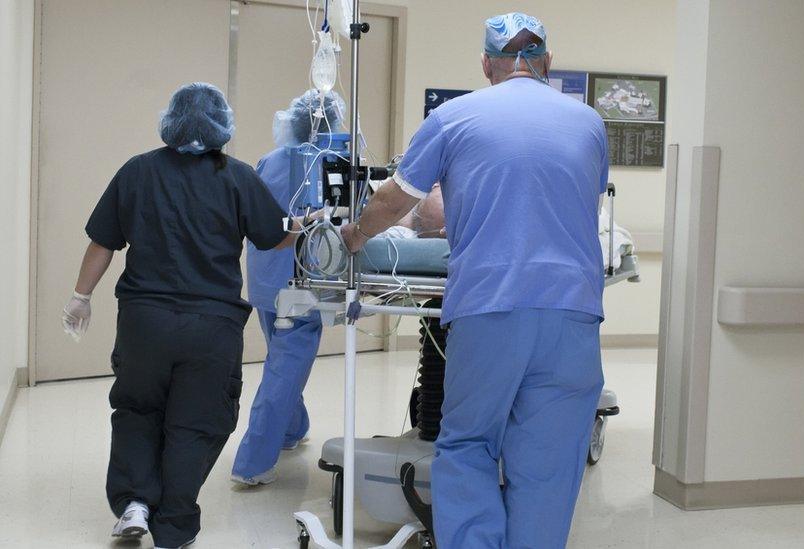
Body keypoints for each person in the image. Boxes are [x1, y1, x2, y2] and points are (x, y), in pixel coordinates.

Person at [341, 12, 608, 549]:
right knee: (550, 462)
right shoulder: (590, 123)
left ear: (487, 64)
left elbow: (398, 199)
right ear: (547, 64)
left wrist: (353, 235)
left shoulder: (454, 117)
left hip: (490, 307)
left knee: (468, 445)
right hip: (572, 314)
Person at [61, 83, 318, 549]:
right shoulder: (237, 177)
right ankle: (175, 525)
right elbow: (273, 235)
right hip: (211, 326)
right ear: (222, 125)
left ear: (171, 120)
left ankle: (135, 504)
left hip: (144, 323)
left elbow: (103, 241)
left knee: (138, 409)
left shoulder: (136, 171)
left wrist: (81, 295)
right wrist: (308, 225)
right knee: (196, 420)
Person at [231, 89, 345, 486]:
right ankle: (252, 463)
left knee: (283, 360)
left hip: (266, 280)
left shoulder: (270, 160)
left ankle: (293, 430)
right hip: (305, 285)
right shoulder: (336, 162)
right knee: (283, 370)